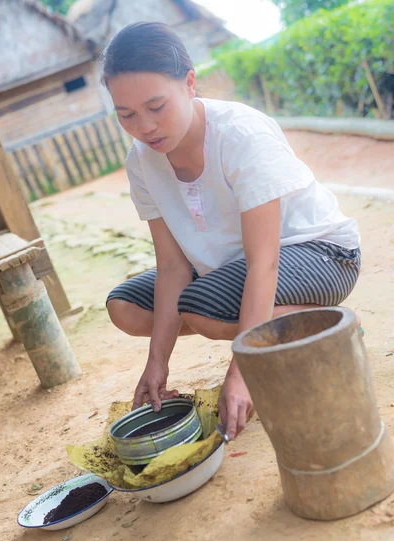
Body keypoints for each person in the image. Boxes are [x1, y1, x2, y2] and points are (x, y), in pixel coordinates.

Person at [102, 22, 361, 440]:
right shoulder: (142, 160)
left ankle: (323, 324)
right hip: (229, 267)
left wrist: (243, 373)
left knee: (201, 309)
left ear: (189, 83)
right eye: (126, 114)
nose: (145, 127)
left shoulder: (240, 134)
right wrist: (157, 363)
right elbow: (171, 265)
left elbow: (265, 260)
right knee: (125, 308)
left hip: (319, 253)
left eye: (156, 106)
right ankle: (264, 327)